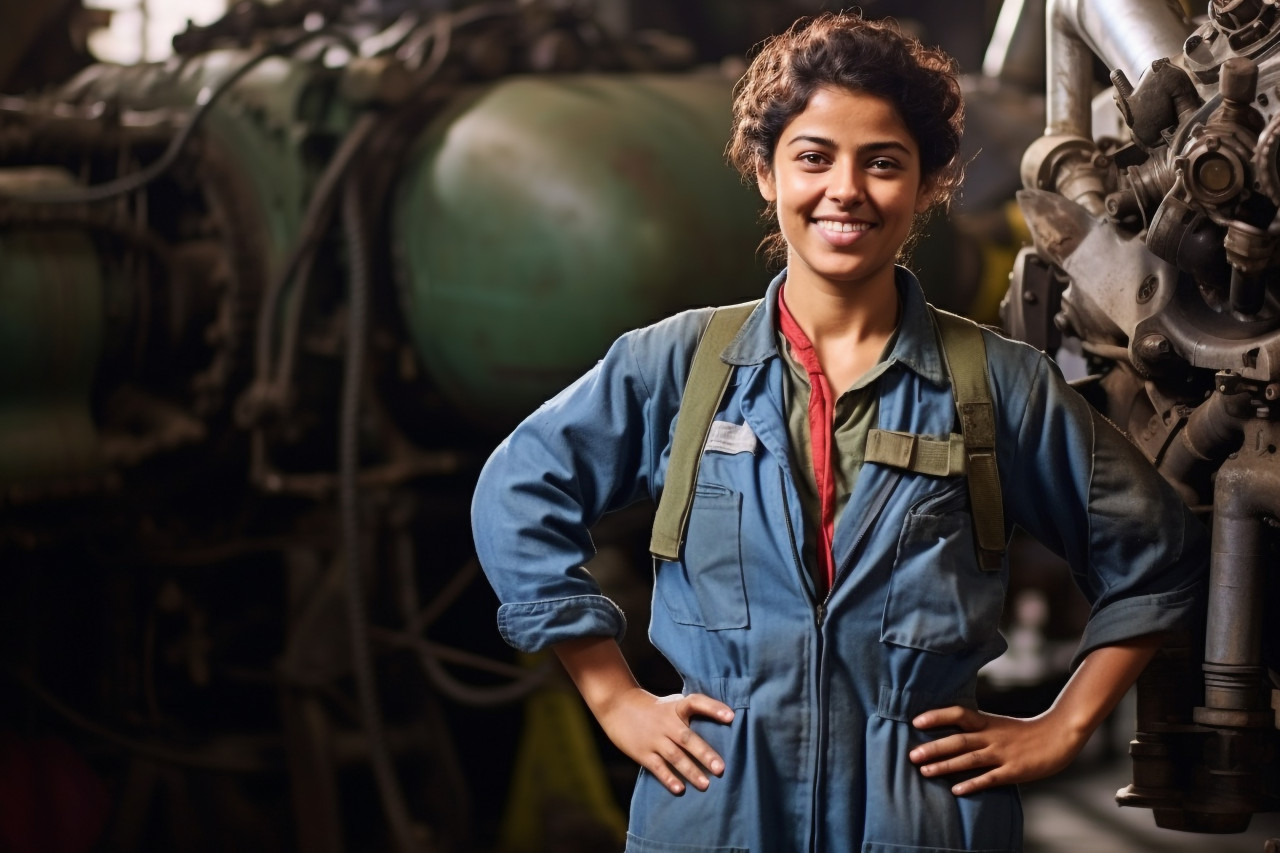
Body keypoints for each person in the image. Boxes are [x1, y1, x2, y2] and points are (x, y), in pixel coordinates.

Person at [471, 11, 1206, 852]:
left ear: (928, 183)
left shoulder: (997, 385)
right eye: (813, 157)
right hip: (714, 809)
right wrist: (612, 694)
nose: (845, 189)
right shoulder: (675, 366)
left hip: (924, 816)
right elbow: (518, 490)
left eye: (883, 162)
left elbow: (1159, 546)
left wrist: (1065, 724)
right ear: (765, 173)